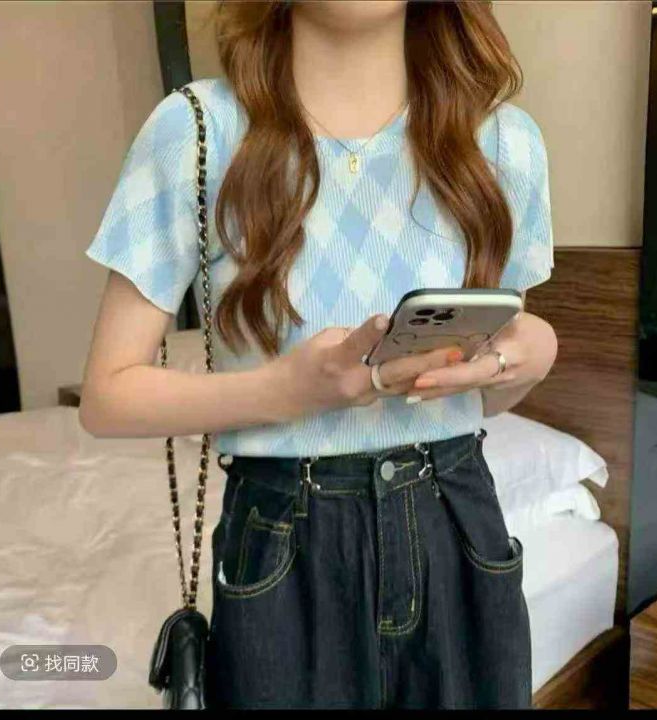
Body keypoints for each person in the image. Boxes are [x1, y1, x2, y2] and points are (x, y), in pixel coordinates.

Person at [80, 0, 557, 709]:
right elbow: (106, 396)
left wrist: (529, 357)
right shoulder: (198, 130)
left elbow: (479, 398)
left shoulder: (503, 143)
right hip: (281, 539)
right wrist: (289, 389)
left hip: (459, 519)